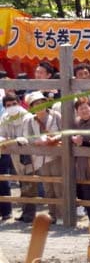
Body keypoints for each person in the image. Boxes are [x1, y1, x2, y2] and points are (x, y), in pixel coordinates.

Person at [22, 91, 62, 223]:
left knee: (58, 186)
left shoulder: (56, 116)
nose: (39, 105)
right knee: (48, 187)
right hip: (40, 157)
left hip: (56, 155)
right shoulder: (28, 120)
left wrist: (53, 139)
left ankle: (62, 215)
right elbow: (26, 137)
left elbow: (65, 132)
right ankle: (52, 215)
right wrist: (38, 142)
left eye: (41, 102)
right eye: (36, 103)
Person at [0, 93, 29, 221]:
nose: (11, 107)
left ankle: (29, 214)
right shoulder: (5, 117)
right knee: (15, 181)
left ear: (19, 102)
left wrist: (10, 140)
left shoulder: (27, 116)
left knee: (28, 183)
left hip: (27, 153)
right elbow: (2, 135)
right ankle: (19, 213)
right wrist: (12, 140)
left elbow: (27, 137)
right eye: (8, 105)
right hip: (11, 152)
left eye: (14, 104)